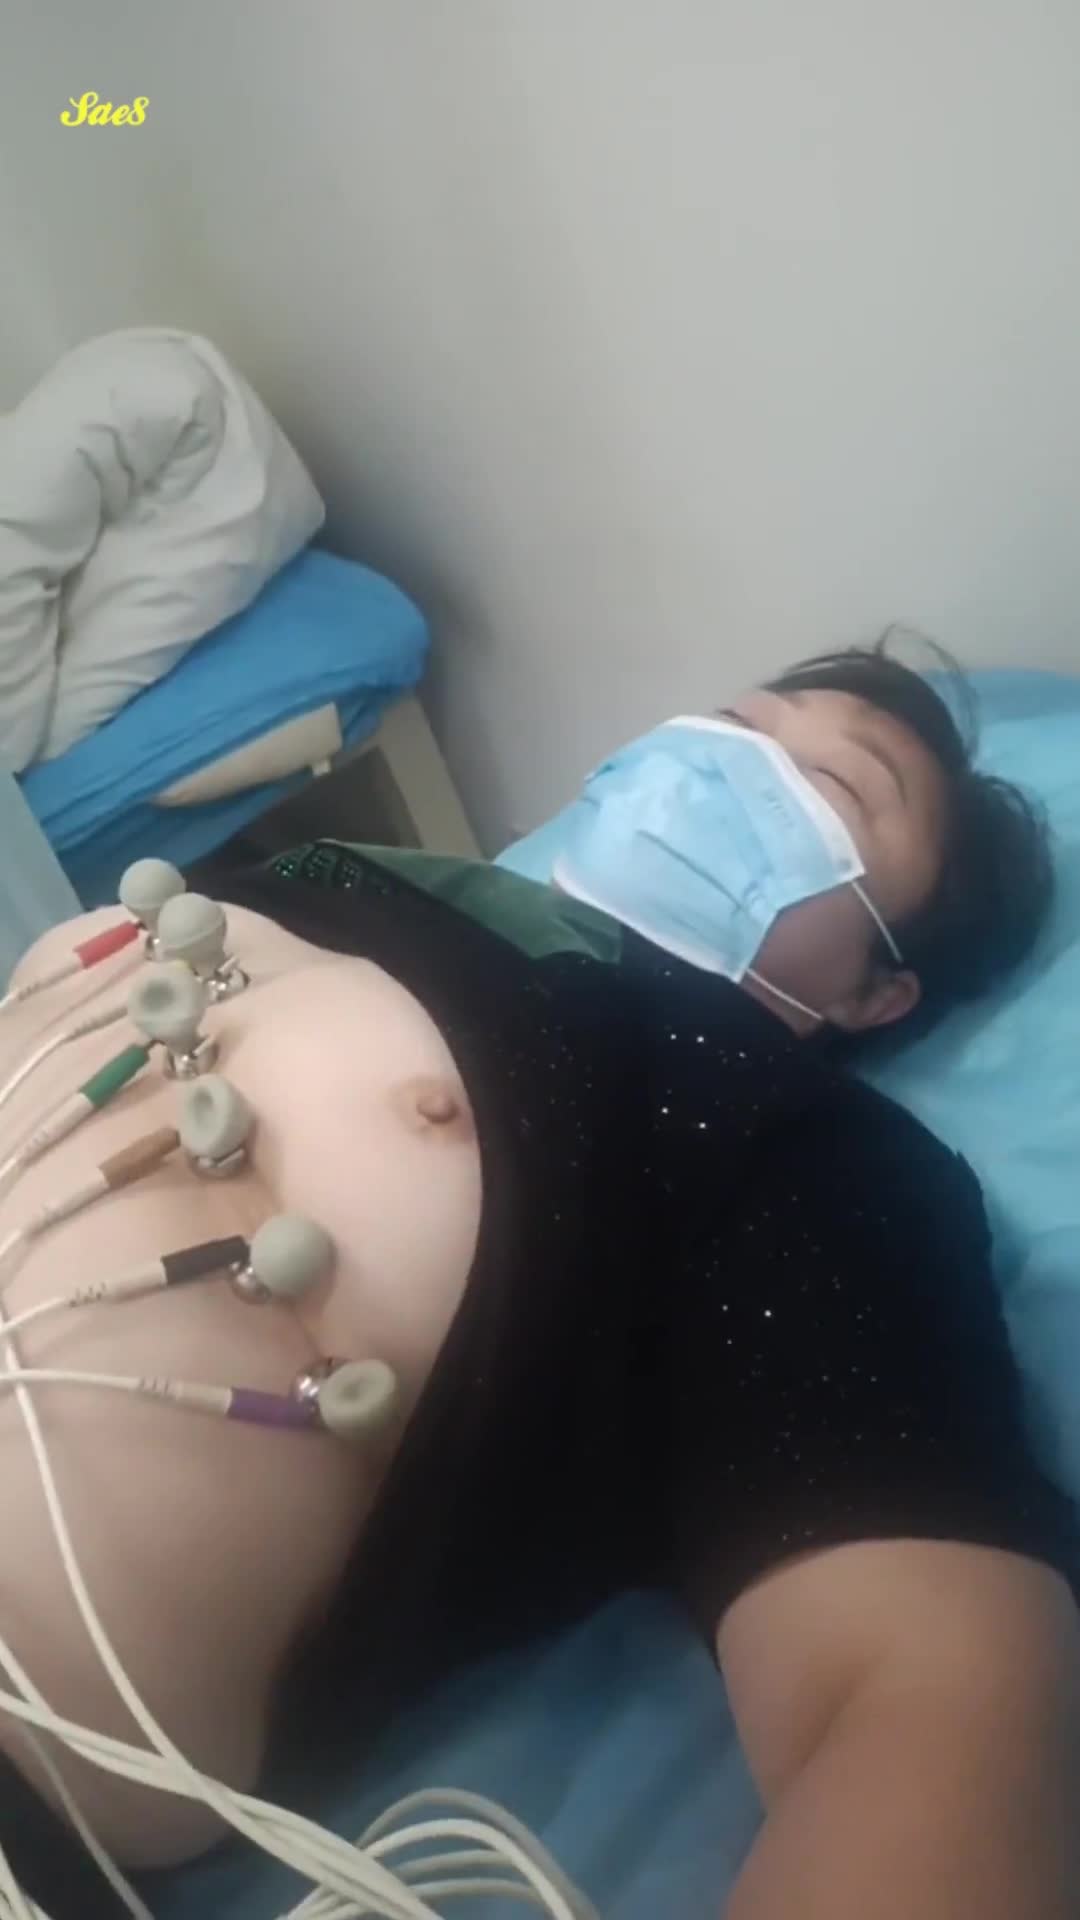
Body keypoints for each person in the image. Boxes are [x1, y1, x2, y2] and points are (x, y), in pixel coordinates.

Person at [0, 643, 1076, 1919]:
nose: (728, 766)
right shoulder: (324, 877)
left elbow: (940, 1708)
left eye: (835, 785)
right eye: (730, 723)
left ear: (877, 991)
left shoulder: (775, 1135)